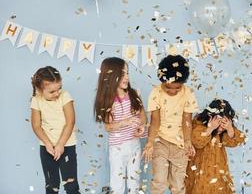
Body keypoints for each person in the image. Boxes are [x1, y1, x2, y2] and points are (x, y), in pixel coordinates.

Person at [142, 55, 199, 194]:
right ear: (162, 80)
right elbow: (155, 121)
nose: (172, 91)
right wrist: (150, 142)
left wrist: (187, 141)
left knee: (178, 184)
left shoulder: (188, 94)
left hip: (180, 146)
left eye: (177, 88)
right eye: (168, 88)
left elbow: (187, 120)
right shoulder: (156, 93)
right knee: (159, 182)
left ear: (183, 83)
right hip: (160, 142)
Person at [94, 57, 147, 193]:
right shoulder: (108, 100)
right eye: (122, 74)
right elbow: (108, 127)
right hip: (118, 148)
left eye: (127, 73)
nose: (126, 77)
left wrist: (142, 127)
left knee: (134, 183)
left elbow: (143, 116)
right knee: (117, 184)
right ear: (110, 76)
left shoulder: (134, 94)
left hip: (134, 146)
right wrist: (126, 122)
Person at [30, 66, 81, 194]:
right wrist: (48, 143)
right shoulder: (36, 100)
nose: (57, 93)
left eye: (59, 88)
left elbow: (70, 122)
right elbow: (36, 125)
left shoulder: (65, 96)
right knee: (51, 186)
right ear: (40, 90)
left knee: (71, 186)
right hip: (47, 148)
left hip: (66, 146)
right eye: (52, 92)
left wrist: (60, 144)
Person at [185, 99, 245, 194]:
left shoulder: (223, 134)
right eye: (218, 122)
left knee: (219, 188)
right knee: (201, 188)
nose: (221, 127)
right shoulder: (199, 126)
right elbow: (196, 141)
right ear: (210, 117)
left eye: (224, 123)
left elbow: (237, 140)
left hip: (218, 172)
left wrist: (229, 128)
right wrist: (211, 128)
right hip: (200, 171)